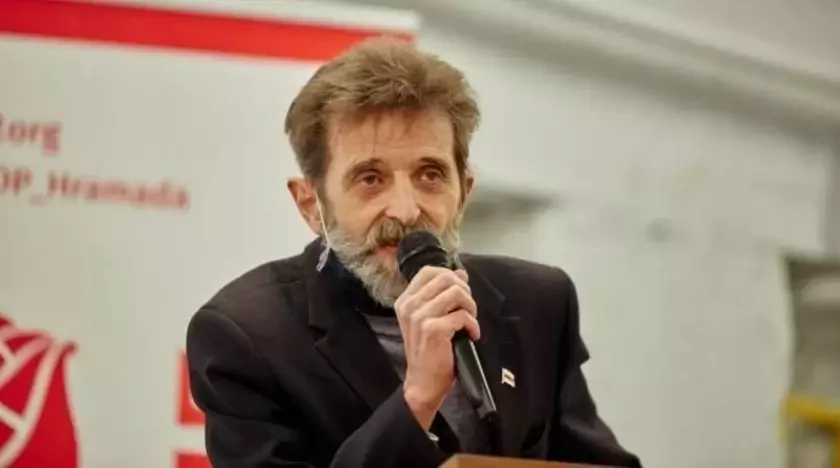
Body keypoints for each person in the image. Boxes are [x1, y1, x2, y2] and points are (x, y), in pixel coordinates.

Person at [186, 37, 641, 468]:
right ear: (311, 205)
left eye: (430, 175)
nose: (406, 211)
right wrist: (417, 397)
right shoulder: (246, 337)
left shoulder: (539, 302)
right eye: (370, 178)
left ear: (463, 193)